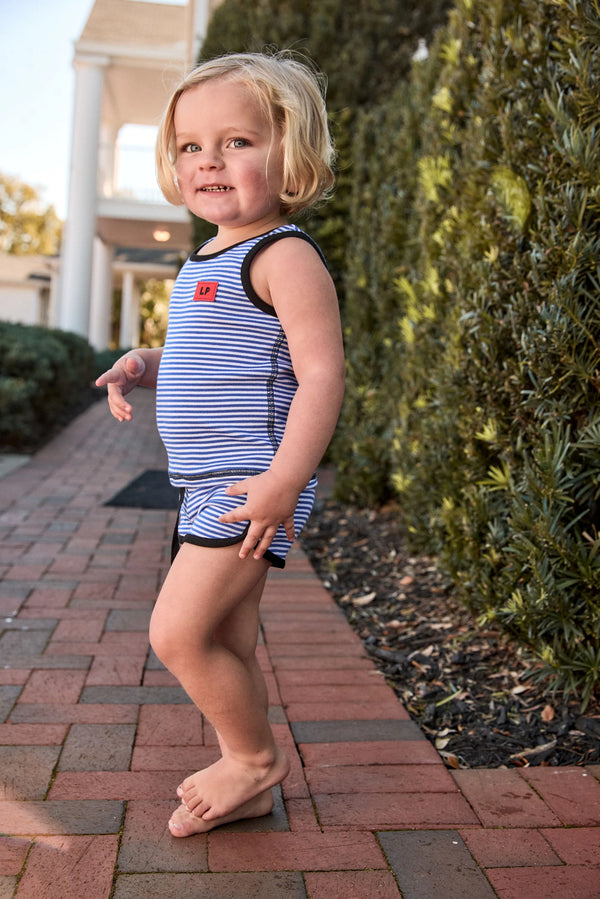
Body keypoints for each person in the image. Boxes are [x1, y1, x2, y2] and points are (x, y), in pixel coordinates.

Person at [95, 51, 345, 837]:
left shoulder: (284, 255)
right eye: (190, 145)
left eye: (237, 141)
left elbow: (323, 376)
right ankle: (252, 785)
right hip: (208, 480)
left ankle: (253, 759)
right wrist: (146, 363)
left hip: (250, 481)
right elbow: (211, 359)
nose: (209, 160)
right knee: (226, 640)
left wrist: (284, 480)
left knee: (175, 632)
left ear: (291, 155)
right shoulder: (205, 257)